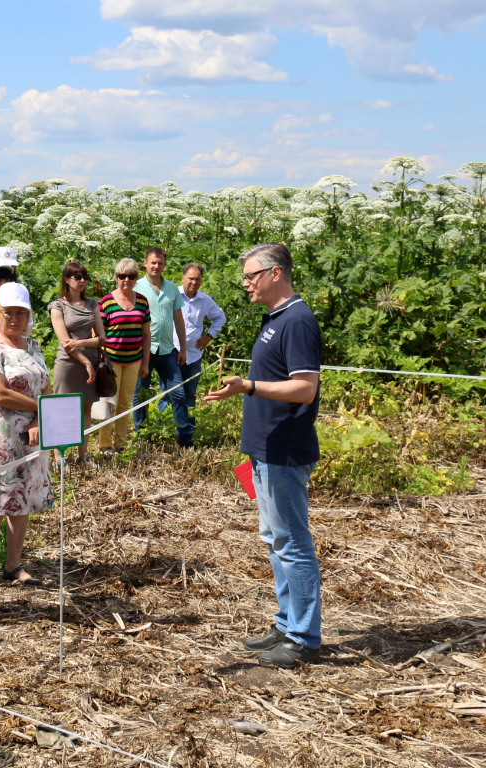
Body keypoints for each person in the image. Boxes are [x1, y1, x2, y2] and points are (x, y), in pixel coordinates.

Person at [203, 242, 322, 669]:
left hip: (284, 449)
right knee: (275, 540)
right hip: (264, 449)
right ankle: (287, 623)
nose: (245, 283)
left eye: (251, 275)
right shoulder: (275, 318)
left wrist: (249, 386)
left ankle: (304, 638)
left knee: (292, 542)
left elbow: (305, 388)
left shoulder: (298, 320)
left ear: (275, 273)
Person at [0, 283, 52, 595]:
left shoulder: (32, 346)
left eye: (20, 313)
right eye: (8, 313)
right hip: (0, 436)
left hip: (32, 435)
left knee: (23, 500)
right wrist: (40, 409)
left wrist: (38, 419)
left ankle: (13, 565)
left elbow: (46, 387)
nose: (14, 318)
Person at [132, 247, 191, 446]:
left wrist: (183, 349)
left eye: (160, 263)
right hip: (143, 351)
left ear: (165, 265)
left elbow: (179, 320)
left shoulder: (172, 288)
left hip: (166, 350)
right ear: (145, 263)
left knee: (178, 394)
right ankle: (142, 438)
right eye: (153, 262)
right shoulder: (136, 287)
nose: (156, 266)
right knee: (140, 395)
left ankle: (185, 440)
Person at [48, 261, 105, 463]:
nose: (82, 281)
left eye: (84, 277)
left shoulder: (92, 304)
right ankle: (59, 457)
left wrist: (80, 343)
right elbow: (65, 343)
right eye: (77, 277)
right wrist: (86, 361)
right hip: (68, 364)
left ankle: (83, 455)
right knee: (61, 409)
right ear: (67, 279)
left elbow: (101, 338)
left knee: (86, 409)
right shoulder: (57, 306)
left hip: (91, 360)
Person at [96, 259, 151, 453]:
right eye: (122, 276)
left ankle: (120, 444)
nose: (126, 280)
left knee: (125, 404)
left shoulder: (142, 301)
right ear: (116, 277)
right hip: (111, 361)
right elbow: (98, 333)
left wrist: (145, 363)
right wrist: (100, 360)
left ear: (136, 278)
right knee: (109, 403)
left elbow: (146, 335)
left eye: (131, 276)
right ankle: (104, 445)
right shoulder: (106, 301)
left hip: (134, 361)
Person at [172, 263, 226, 438]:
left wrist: (209, 336)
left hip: (193, 355)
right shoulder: (172, 295)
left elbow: (220, 317)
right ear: (183, 278)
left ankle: (188, 430)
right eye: (191, 278)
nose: (194, 282)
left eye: (197, 279)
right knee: (170, 392)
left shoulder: (205, 300)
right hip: (171, 353)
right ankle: (166, 427)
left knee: (189, 393)